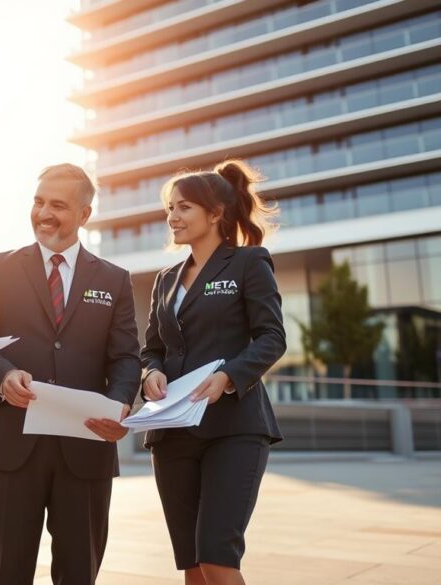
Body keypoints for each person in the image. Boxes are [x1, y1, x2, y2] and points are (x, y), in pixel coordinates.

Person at [0, 163, 142, 584]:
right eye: (38, 201)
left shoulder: (114, 281)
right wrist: (3, 378)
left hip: (87, 451)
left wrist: (120, 406)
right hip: (10, 449)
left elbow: (125, 358)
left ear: (84, 214)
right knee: (7, 573)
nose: (43, 213)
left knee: (80, 573)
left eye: (57, 205)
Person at [139, 159, 285, 585]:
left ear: (215, 213)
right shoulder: (165, 279)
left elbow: (272, 337)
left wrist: (228, 376)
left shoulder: (248, 262)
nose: (172, 217)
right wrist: (150, 373)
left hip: (234, 426)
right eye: (170, 208)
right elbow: (152, 349)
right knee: (193, 564)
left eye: (183, 208)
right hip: (172, 431)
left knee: (218, 557)